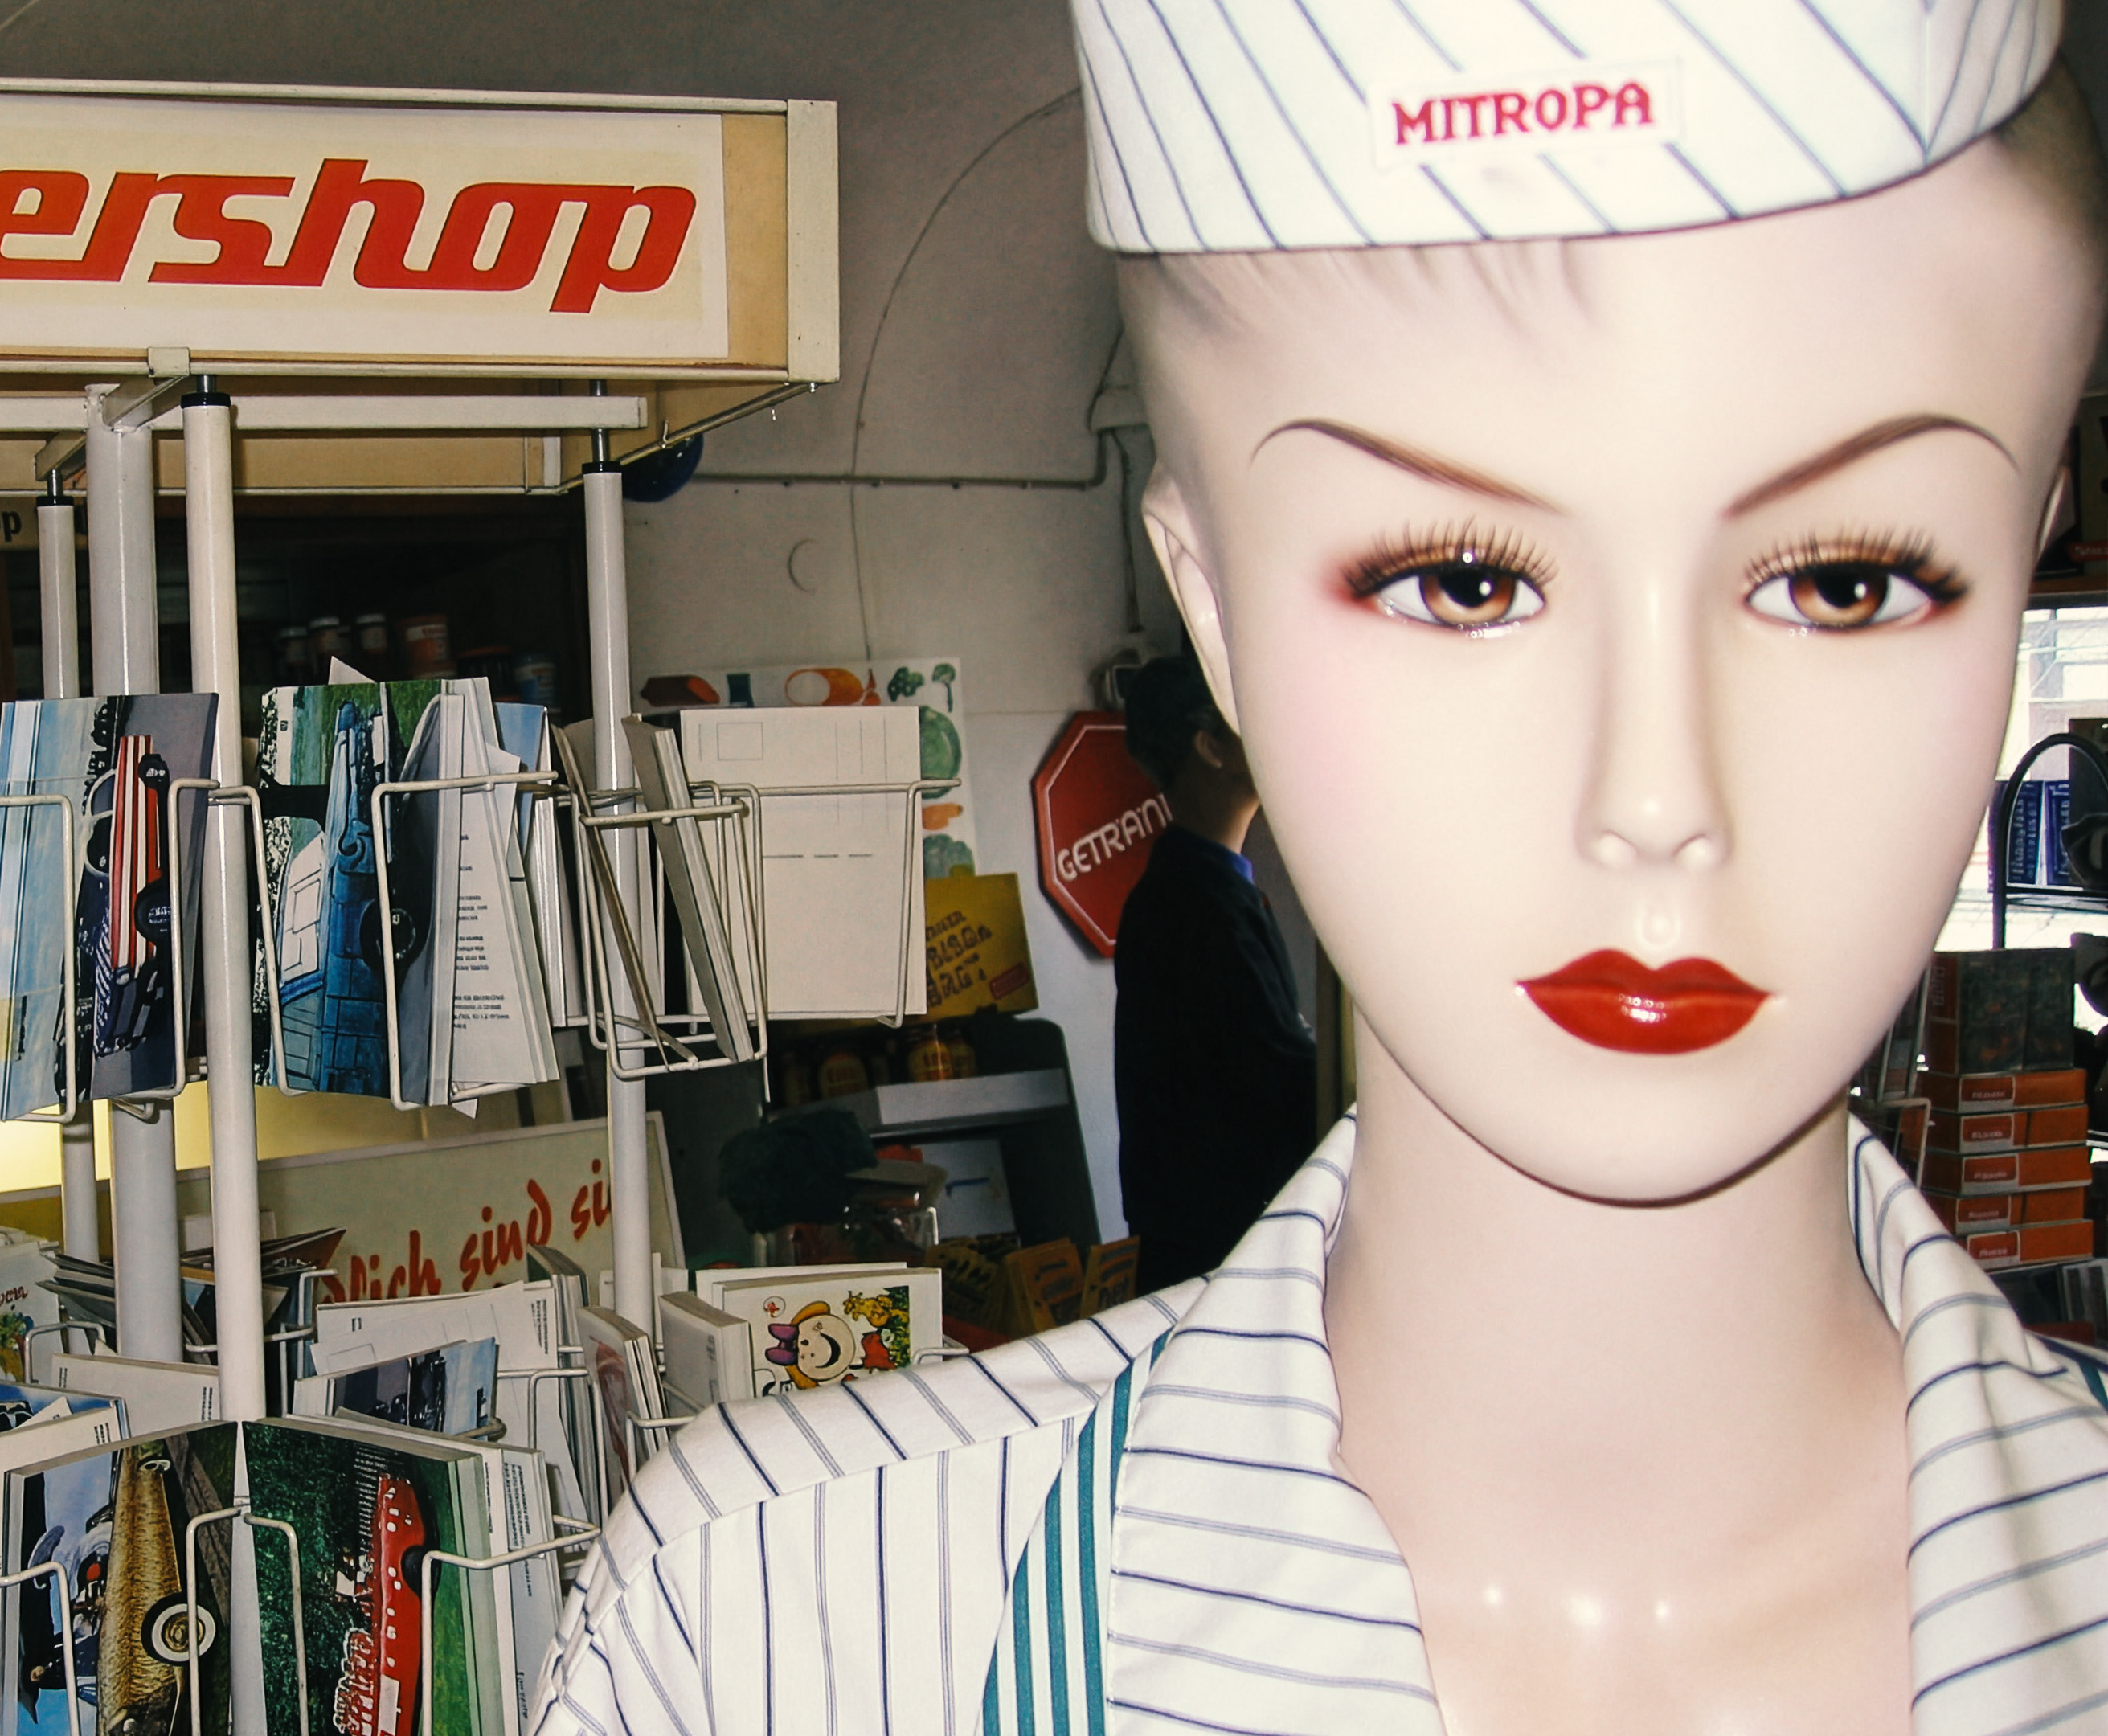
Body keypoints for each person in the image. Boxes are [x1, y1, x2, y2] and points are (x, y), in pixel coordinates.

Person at [530, 6, 2108, 1733]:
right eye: (1464, 584)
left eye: (1845, 584)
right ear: (1209, 611)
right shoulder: (776, 1629)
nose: (1656, 799)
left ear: (2025, 562)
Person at [1112, 653, 1316, 1288]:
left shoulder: (1197, 891)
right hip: (1222, 1255)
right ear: (1211, 746)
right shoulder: (1198, 907)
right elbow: (1276, 1078)